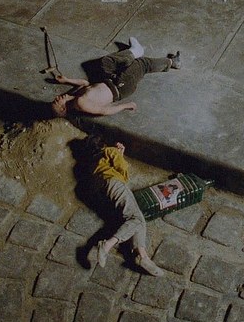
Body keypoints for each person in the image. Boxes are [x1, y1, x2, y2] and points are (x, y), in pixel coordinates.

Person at [87, 136, 165, 277]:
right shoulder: (109, 151)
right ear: (103, 144)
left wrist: (119, 155)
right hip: (114, 184)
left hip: (103, 191)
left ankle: (142, 257)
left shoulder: (93, 162)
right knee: (136, 219)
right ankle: (107, 245)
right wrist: (119, 155)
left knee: (138, 218)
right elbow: (123, 170)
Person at [51, 37, 180, 117]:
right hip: (121, 87)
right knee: (142, 64)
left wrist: (66, 80)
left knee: (105, 62)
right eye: (57, 102)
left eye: (55, 99)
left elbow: (85, 83)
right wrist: (125, 106)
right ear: (63, 109)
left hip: (109, 79)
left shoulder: (74, 97)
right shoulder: (81, 104)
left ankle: (135, 51)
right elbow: (104, 111)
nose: (57, 98)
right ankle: (172, 62)